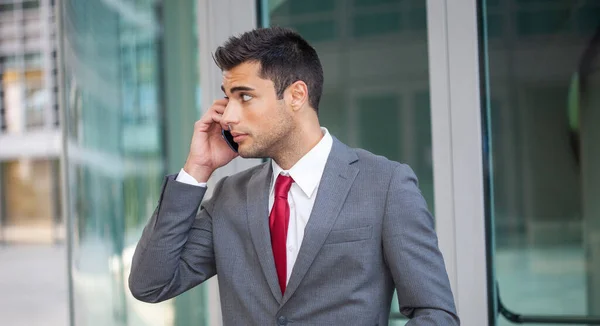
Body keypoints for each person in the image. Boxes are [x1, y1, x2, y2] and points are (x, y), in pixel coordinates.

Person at [129, 26, 459, 326]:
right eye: (227, 98)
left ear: (296, 96)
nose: (227, 115)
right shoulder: (229, 196)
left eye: (245, 96)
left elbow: (435, 313)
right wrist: (196, 170)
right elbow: (150, 284)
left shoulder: (386, 185)